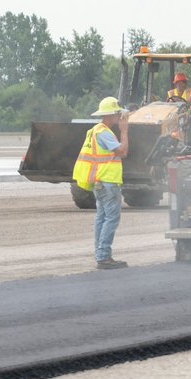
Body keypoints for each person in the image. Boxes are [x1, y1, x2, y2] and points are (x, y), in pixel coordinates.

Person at [72, 97, 130, 269]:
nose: (119, 116)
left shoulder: (94, 131)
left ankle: (100, 254)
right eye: (117, 113)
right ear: (111, 115)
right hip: (108, 182)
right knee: (111, 218)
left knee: (101, 218)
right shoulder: (104, 132)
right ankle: (103, 256)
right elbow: (122, 152)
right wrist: (124, 131)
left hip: (98, 182)